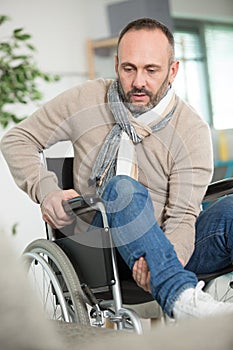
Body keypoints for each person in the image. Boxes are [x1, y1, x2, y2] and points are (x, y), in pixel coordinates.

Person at [1, 17, 233, 320]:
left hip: (175, 249)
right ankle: (181, 297)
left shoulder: (190, 129)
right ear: (116, 65)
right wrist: (46, 191)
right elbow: (18, 138)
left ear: (172, 71)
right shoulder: (85, 100)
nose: (139, 81)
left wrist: (159, 261)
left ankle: (174, 286)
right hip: (103, 250)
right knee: (122, 187)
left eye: (151, 70)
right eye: (129, 68)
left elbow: (181, 218)